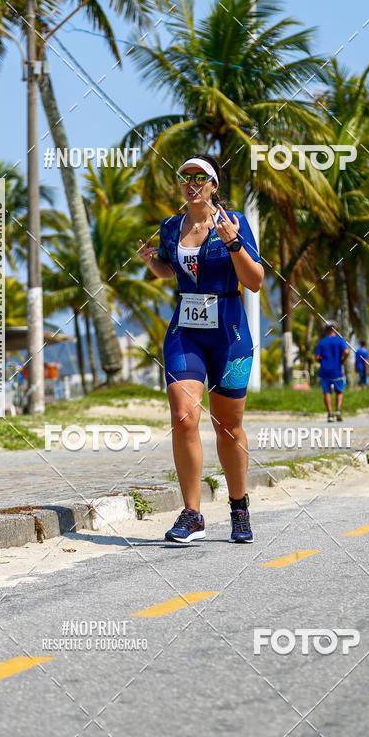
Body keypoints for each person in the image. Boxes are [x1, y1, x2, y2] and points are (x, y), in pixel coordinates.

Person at [139, 155, 264, 544]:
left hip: (229, 332)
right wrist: (152, 263)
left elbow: (255, 281)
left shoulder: (234, 222)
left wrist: (233, 243)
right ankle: (192, 513)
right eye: (185, 177)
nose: (191, 183)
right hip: (185, 332)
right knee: (183, 417)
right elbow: (170, 270)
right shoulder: (170, 227)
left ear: (213, 185)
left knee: (228, 426)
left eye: (200, 177)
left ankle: (239, 507)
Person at [315, 323, 348, 422]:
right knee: (339, 391)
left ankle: (330, 414)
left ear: (326, 330)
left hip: (324, 371)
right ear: (336, 329)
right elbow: (346, 352)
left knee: (327, 392)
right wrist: (343, 361)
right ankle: (338, 410)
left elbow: (317, 357)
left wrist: (322, 362)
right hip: (337, 370)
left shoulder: (321, 342)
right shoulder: (340, 340)